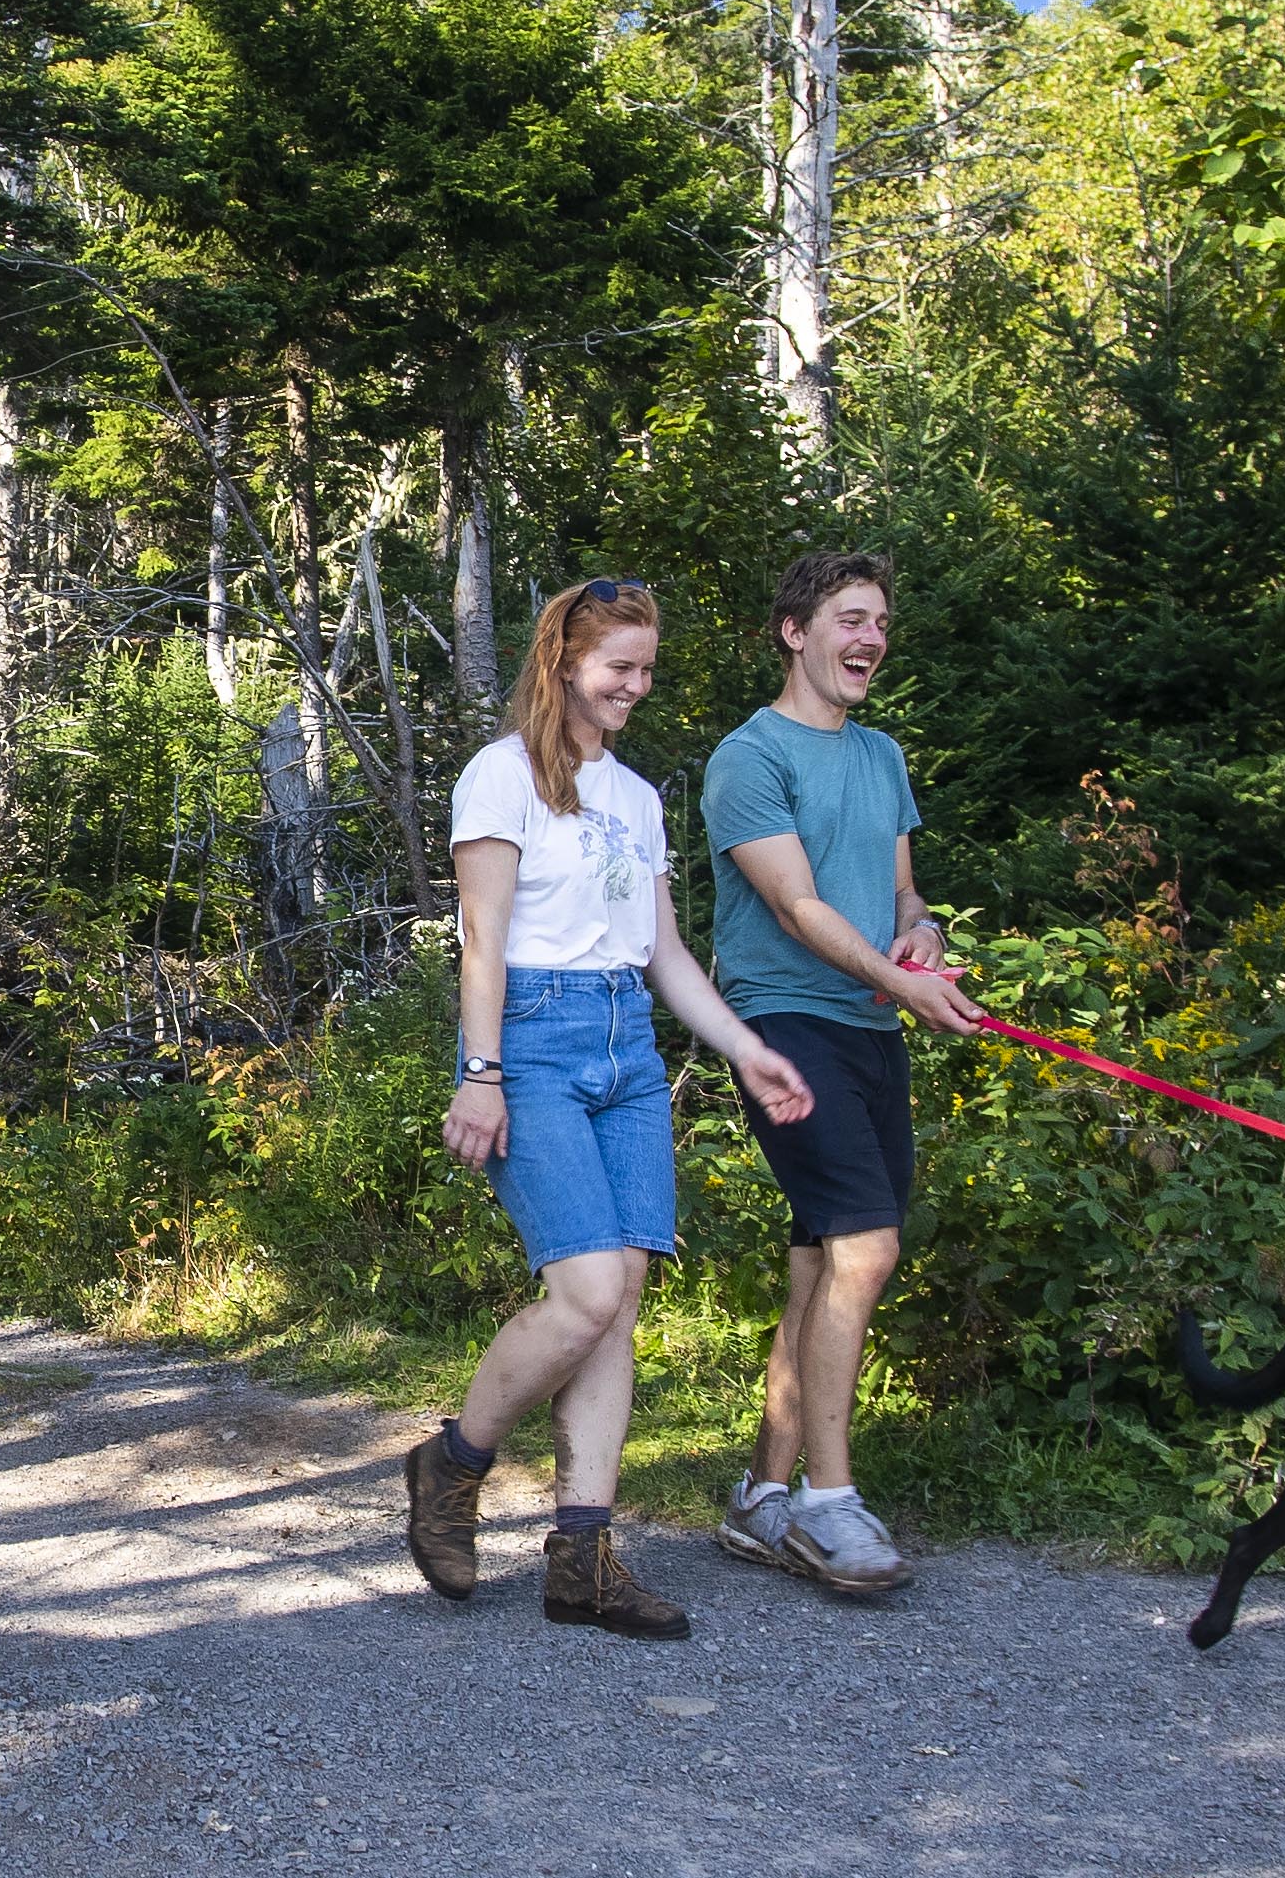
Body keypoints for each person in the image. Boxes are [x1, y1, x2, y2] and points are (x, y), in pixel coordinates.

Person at [402, 577, 824, 1639]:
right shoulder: (498, 779)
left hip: (624, 1046)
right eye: (617, 669)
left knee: (622, 1292)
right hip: (530, 1043)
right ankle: (451, 1465)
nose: (635, 687)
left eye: (644, 669)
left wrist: (745, 1048)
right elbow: (482, 940)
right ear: (562, 664)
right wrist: (481, 1070)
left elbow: (664, 955)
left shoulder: (634, 798)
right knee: (585, 1290)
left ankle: (580, 1558)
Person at [699, 548, 981, 1594]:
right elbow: (794, 906)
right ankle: (830, 1503)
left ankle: (760, 1499)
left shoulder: (880, 755)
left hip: (871, 1028)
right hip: (781, 1022)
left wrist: (923, 942)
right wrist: (893, 979)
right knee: (867, 1244)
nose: (867, 641)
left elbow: (902, 895)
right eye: (847, 620)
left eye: (877, 625)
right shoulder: (748, 757)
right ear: (794, 631)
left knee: (823, 1257)